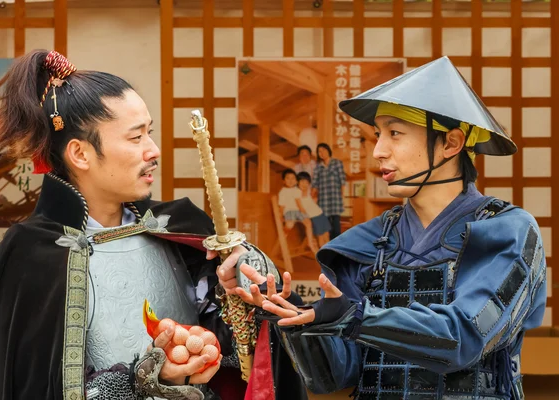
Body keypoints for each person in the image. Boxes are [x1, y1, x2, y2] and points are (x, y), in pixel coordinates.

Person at [0, 50, 306, 400]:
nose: (154, 150)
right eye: (136, 137)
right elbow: (34, 386)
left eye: (150, 133)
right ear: (80, 154)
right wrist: (148, 380)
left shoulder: (178, 226)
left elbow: (243, 355)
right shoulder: (30, 253)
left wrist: (241, 289)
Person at [229, 56, 548, 399]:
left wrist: (356, 317)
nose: (378, 151)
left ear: (451, 144)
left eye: (395, 133)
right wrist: (292, 313)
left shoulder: (506, 233)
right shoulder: (366, 243)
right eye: (379, 135)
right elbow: (333, 376)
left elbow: (465, 338)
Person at [278, 168, 318, 253]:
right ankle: (284, 235)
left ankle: (310, 242)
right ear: (283, 181)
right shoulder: (283, 192)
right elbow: (282, 206)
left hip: (298, 211)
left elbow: (300, 202)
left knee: (308, 223)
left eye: (293, 178)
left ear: (296, 181)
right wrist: (280, 216)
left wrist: (306, 208)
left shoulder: (297, 190)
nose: (290, 180)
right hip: (289, 211)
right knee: (290, 224)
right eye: (288, 178)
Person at [312, 143, 346, 239]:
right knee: (327, 226)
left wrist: (343, 198)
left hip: (335, 198)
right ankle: (330, 246)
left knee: (336, 224)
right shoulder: (318, 167)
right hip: (323, 200)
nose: (322, 153)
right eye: (319, 151)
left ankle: (337, 246)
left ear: (328, 150)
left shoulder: (337, 163)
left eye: (324, 150)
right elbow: (315, 184)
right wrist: (309, 199)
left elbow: (342, 181)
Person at [297, 172, 330, 248]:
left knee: (327, 236)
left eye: (306, 182)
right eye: (302, 182)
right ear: (297, 182)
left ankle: (330, 255)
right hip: (315, 218)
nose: (304, 184)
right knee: (321, 238)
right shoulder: (296, 195)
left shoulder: (308, 193)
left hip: (321, 215)